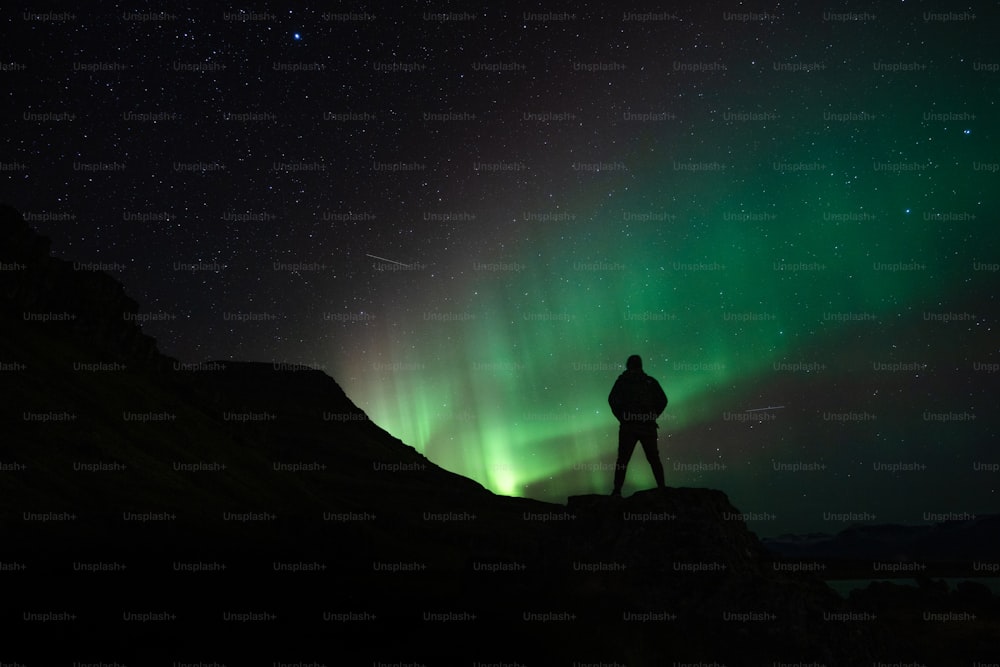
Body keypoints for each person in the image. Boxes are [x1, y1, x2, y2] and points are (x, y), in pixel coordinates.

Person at [607, 354, 668, 496]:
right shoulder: (649, 381)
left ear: (628, 366)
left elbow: (612, 400)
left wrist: (622, 417)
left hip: (629, 426)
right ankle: (662, 488)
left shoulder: (623, 382)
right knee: (653, 459)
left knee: (623, 459)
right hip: (647, 426)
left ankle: (617, 490)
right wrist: (652, 416)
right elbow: (663, 400)